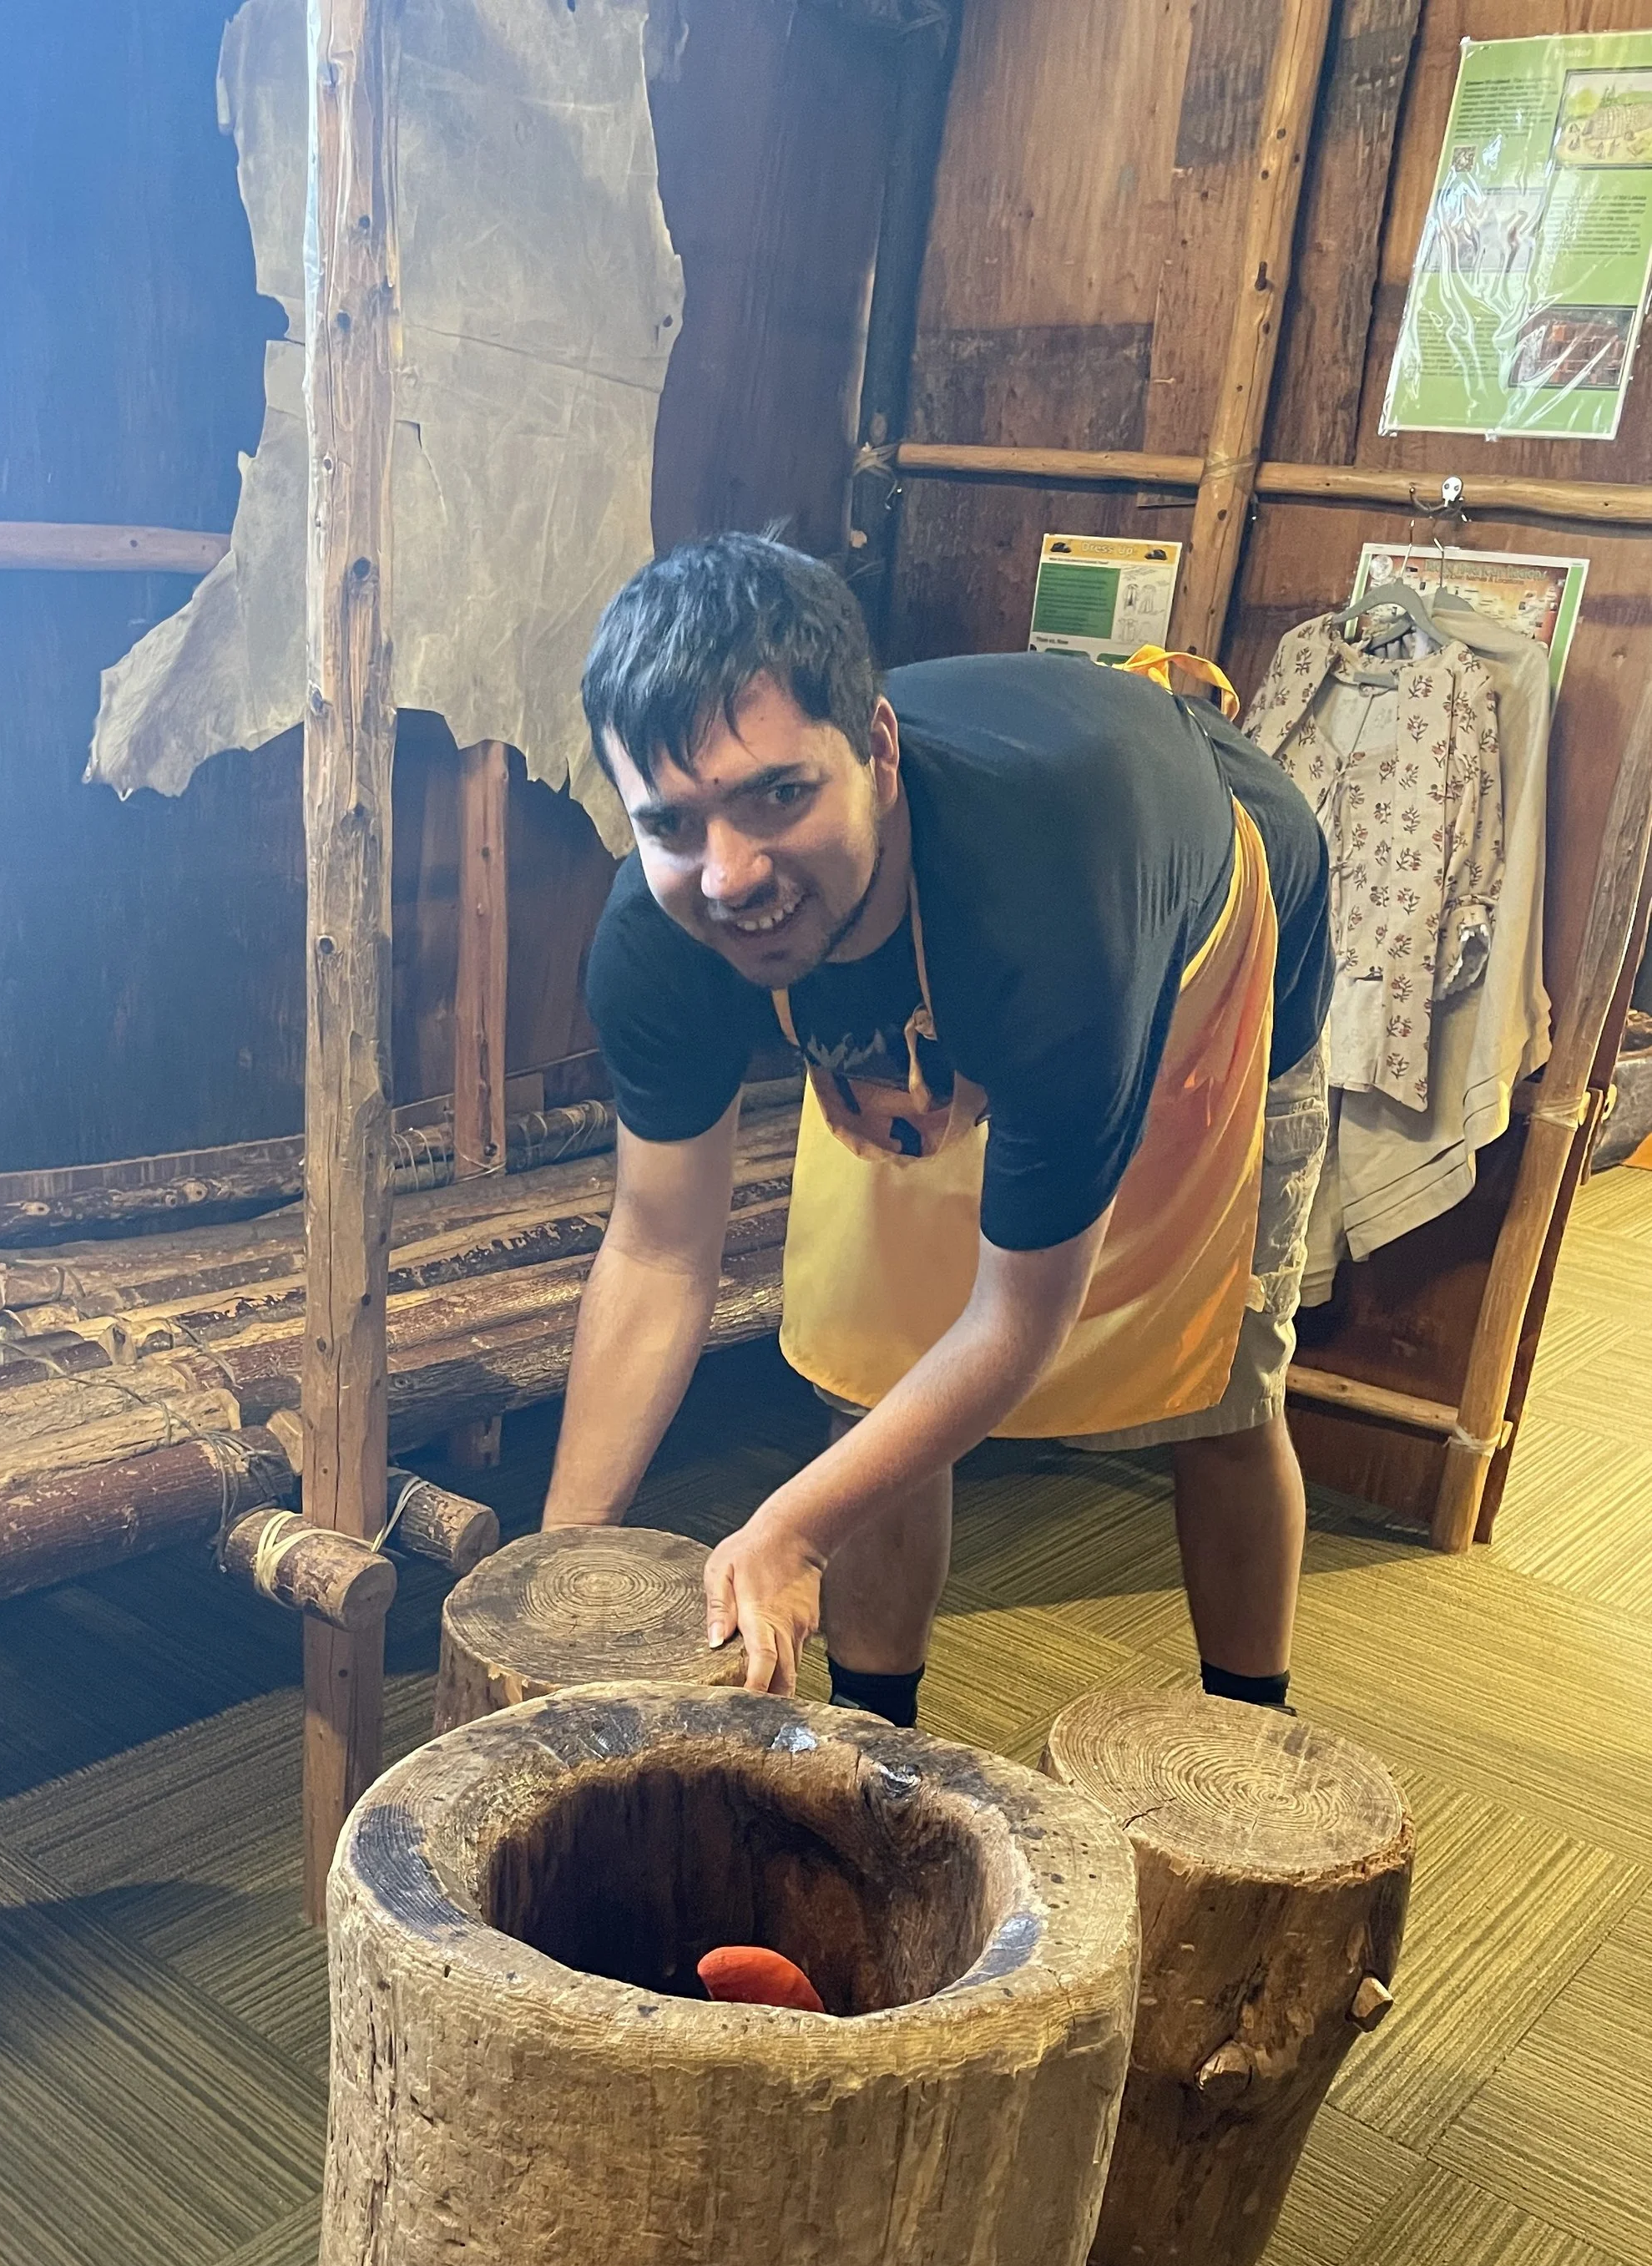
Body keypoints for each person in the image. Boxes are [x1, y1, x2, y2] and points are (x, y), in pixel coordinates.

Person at [542, 532, 1332, 1722]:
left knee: (1220, 1392)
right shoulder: (662, 933)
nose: (730, 875)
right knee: (871, 1375)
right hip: (933, 975)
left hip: (1198, 929)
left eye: (780, 795)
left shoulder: (1058, 911)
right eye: (674, 824)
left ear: (877, 749)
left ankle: (1250, 1724)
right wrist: (554, 1577)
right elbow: (658, 1251)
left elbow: (1022, 1316)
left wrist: (790, 1531)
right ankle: (877, 1734)